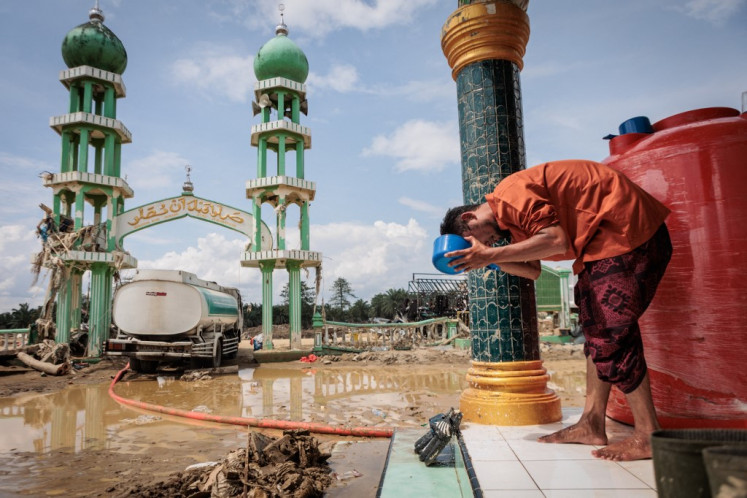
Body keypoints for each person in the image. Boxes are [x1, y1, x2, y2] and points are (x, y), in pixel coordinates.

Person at [440, 159, 672, 461]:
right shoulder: (513, 222)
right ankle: (591, 422)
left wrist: (488, 254)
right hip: (602, 244)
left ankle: (648, 434)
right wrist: (488, 257)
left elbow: (555, 239)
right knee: (595, 330)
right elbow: (533, 270)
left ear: (470, 218)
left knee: (610, 330)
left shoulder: (511, 193)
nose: (488, 244)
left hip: (625, 230)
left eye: (479, 242)